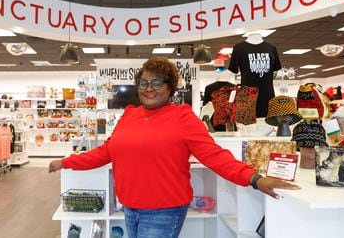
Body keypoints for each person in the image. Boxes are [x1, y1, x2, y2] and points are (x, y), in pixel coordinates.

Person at [49, 56, 299, 238]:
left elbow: (214, 156)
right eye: (144, 83)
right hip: (130, 207)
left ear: (170, 87)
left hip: (164, 210)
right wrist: (67, 162)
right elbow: (106, 152)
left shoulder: (183, 117)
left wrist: (254, 179)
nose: (149, 89)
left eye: (157, 83)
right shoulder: (130, 115)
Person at [228, 32, 282, 118]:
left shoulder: (271, 48)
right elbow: (233, 70)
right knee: (248, 128)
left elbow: (277, 70)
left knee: (268, 127)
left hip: (268, 97)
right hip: (247, 97)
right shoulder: (238, 48)